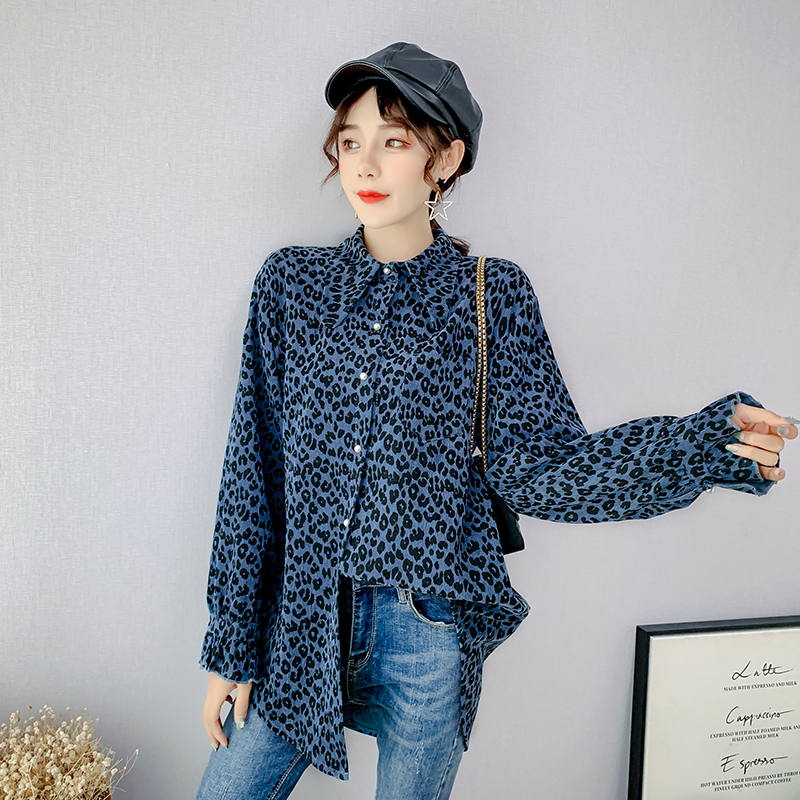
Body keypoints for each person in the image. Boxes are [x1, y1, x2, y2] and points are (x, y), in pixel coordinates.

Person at [195, 42, 796, 800]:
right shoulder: (292, 285)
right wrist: (232, 645)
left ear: (444, 159)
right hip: (302, 615)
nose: (365, 165)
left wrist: (705, 445)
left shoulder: (491, 296)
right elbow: (251, 470)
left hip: (428, 628)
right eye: (349, 142)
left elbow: (547, 467)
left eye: (394, 141)